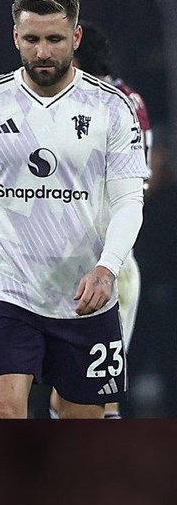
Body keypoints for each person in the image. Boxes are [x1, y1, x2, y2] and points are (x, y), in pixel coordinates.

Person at [0, 0, 148, 418]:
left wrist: (107, 268)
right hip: (9, 293)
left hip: (85, 296)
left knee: (80, 425)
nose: (43, 51)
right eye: (32, 39)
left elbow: (129, 202)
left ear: (76, 38)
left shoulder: (111, 108)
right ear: (15, 38)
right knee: (4, 412)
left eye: (54, 39)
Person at [48, 22, 155, 418]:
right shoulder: (125, 101)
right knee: (76, 390)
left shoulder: (106, 106)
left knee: (90, 391)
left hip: (102, 266)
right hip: (87, 263)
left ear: (75, 59)